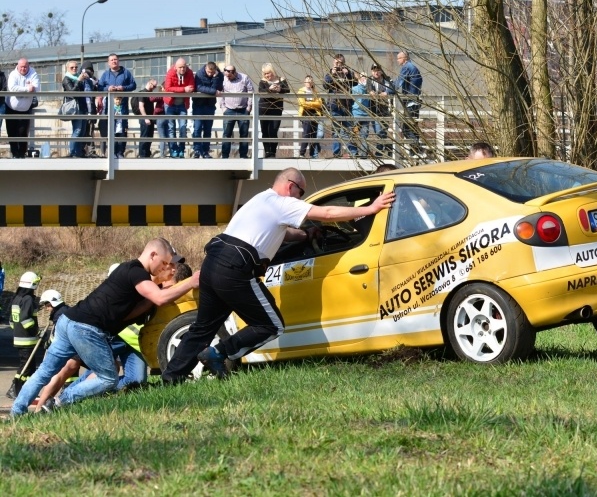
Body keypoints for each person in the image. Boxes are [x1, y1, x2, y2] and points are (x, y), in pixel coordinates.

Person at [161, 168, 395, 384]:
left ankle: (170, 378)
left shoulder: (259, 200)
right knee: (271, 325)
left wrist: (306, 235)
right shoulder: (282, 202)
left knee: (202, 327)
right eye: (301, 193)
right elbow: (327, 212)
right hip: (236, 267)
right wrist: (370, 209)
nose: (301, 199)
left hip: (212, 263)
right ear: (291, 186)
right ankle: (218, 353)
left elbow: (282, 232)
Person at [10, 239, 199, 417]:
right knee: (108, 379)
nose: (165, 268)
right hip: (86, 328)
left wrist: (155, 296)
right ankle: (59, 402)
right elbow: (159, 298)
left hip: (68, 321)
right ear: (153, 255)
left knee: (44, 372)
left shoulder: (128, 270)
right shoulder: (137, 272)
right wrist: (190, 282)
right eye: (164, 263)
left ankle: (16, 413)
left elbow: (130, 314)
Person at [6, 271, 41, 400]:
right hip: (27, 339)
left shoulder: (16, 298)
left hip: (19, 338)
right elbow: (25, 319)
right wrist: (36, 331)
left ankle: (26, 390)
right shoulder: (28, 299)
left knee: (29, 367)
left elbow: (12, 321)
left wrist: (18, 330)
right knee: (26, 367)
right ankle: (14, 389)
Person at [97, 54, 137, 158]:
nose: (114, 61)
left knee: (122, 129)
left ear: (118, 61)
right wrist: (108, 89)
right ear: (108, 63)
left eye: (115, 59)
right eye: (112, 60)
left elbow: (133, 85)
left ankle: (120, 152)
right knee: (111, 129)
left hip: (122, 107)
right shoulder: (105, 74)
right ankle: (113, 152)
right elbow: (100, 87)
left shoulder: (126, 73)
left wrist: (123, 88)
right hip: (110, 107)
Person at [323, 54, 357, 157]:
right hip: (335, 106)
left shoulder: (348, 73)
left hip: (347, 105)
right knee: (336, 131)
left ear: (344, 63)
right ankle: (336, 153)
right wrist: (332, 74)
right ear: (333, 63)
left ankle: (353, 152)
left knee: (349, 130)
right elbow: (325, 85)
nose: (339, 65)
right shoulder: (330, 73)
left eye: (341, 63)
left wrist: (348, 75)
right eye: (337, 63)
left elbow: (355, 84)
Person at [5, 58, 40, 159]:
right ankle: (14, 154)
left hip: (25, 109)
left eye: (25, 67)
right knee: (11, 132)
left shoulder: (33, 73)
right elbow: (12, 88)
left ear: (28, 66)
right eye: (21, 67)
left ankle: (22, 154)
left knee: (23, 132)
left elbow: (37, 88)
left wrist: (22, 92)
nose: (23, 69)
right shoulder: (13, 74)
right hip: (11, 108)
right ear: (18, 66)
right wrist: (27, 89)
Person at [218, 65, 254, 159]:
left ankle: (243, 156)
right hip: (229, 110)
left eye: (229, 75)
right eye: (226, 75)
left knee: (244, 134)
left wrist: (249, 107)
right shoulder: (223, 79)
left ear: (234, 73)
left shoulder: (244, 78)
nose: (228, 77)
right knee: (226, 134)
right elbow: (220, 92)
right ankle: (225, 156)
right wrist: (223, 107)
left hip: (243, 110)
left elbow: (251, 91)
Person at [164, 58, 195, 158]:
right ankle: (173, 149)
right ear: (175, 67)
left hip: (182, 105)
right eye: (180, 67)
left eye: (184, 67)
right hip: (170, 104)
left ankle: (181, 149)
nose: (182, 69)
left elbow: (192, 87)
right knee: (171, 128)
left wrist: (185, 89)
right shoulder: (170, 72)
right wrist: (183, 89)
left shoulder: (189, 73)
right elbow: (168, 88)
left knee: (183, 128)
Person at [258, 63, 290, 158]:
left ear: (273, 71)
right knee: (265, 131)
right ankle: (267, 152)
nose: (267, 75)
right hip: (264, 108)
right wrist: (269, 89)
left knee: (273, 130)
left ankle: (273, 152)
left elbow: (287, 90)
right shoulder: (263, 81)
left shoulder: (281, 80)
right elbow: (261, 91)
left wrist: (279, 89)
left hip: (276, 108)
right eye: (265, 74)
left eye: (268, 73)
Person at [192, 61, 223, 158]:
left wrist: (215, 78)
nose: (210, 74)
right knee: (197, 128)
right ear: (206, 68)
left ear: (215, 70)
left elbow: (219, 88)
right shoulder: (199, 74)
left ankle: (205, 151)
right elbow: (199, 87)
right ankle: (197, 150)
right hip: (198, 105)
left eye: (212, 72)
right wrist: (213, 91)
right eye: (209, 72)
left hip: (210, 106)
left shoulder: (219, 75)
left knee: (207, 129)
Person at [61, 61, 91, 158]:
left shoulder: (79, 77)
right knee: (77, 130)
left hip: (82, 107)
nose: (74, 69)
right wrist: (79, 80)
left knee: (82, 132)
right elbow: (72, 92)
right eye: (72, 67)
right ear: (67, 69)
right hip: (75, 108)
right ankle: (73, 152)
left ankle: (78, 153)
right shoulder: (66, 79)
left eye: (76, 67)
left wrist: (87, 78)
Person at [395, 51, 423, 152]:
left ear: (404, 58)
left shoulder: (406, 67)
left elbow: (398, 82)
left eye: (399, 58)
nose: (397, 60)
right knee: (413, 127)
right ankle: (415, 151)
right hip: (415, 102)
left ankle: (417, 149)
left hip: (410, 102)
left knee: (406, 129)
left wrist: (387, 91)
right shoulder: (413, 68)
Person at [368, 63, 394, 156]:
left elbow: (393, 88)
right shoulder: (370, 79)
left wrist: (386, 92)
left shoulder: (387, 79)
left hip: (385, 109)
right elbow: (368, 88)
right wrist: (371, 92)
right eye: (374, 70)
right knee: (379, 131)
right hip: (374, 109)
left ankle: (380, 152)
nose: (376, 72)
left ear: (381, 71)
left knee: (382, 131)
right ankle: (389, 148)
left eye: (378, 70)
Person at [297, 76, 324, 159]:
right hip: (305, 113)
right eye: (307, 81)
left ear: (312, 83)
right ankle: (302, 153)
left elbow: (319, 103)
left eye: (310, 81)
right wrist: (313, 104)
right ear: (304, 82)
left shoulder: (315, 92)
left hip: (315, 114)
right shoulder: (301, 91)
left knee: (314, 134)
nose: (309, 83)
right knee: (306, 133)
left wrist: (309, 103)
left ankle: (312, 154)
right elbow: (302, 103)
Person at [135, 79, 159, 158]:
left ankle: (147, 154)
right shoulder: (143, 93)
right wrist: (145, 118)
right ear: (149, 83)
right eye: (154, 86)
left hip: (150, 118)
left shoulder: (150, 93)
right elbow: (141, 106)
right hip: (144, 118)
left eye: (155, 87)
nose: (154, 88)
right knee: (144, 136)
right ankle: (142, 155)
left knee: (150, 136)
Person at [350, 73, 372, 157]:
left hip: (365, 115)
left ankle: (363, 154)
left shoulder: (369, 89)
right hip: (356, 114)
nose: (364, 78)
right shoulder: (354, 88)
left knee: (364, 135)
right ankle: (353, 152)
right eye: (362, 76)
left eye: (366, 77)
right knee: (353, 134)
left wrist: (367, 86)